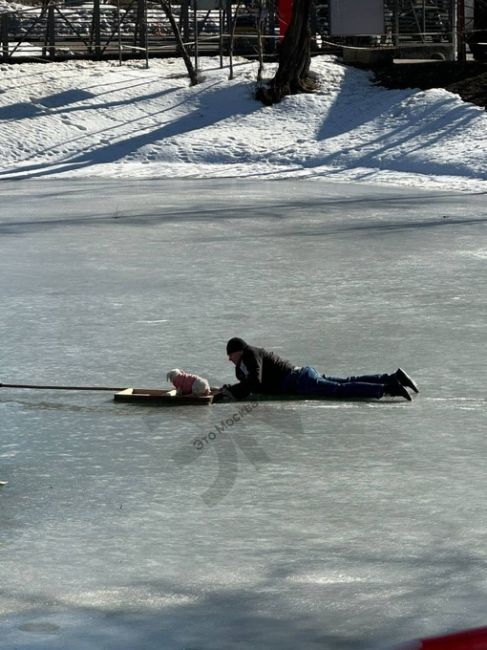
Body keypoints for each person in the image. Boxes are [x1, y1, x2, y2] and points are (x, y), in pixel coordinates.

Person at [213, 337, 419, 402]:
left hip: (299, 380)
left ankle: (388, 387)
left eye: (230, 355)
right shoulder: (244, 363)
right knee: (345, 382)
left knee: (339, 390)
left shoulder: (250, 354)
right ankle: (394, 376)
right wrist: (229, 389)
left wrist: (230, 393)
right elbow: (249, 383)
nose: (229, 359)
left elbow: (255, 383)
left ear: (238, 351)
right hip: (301, 376)